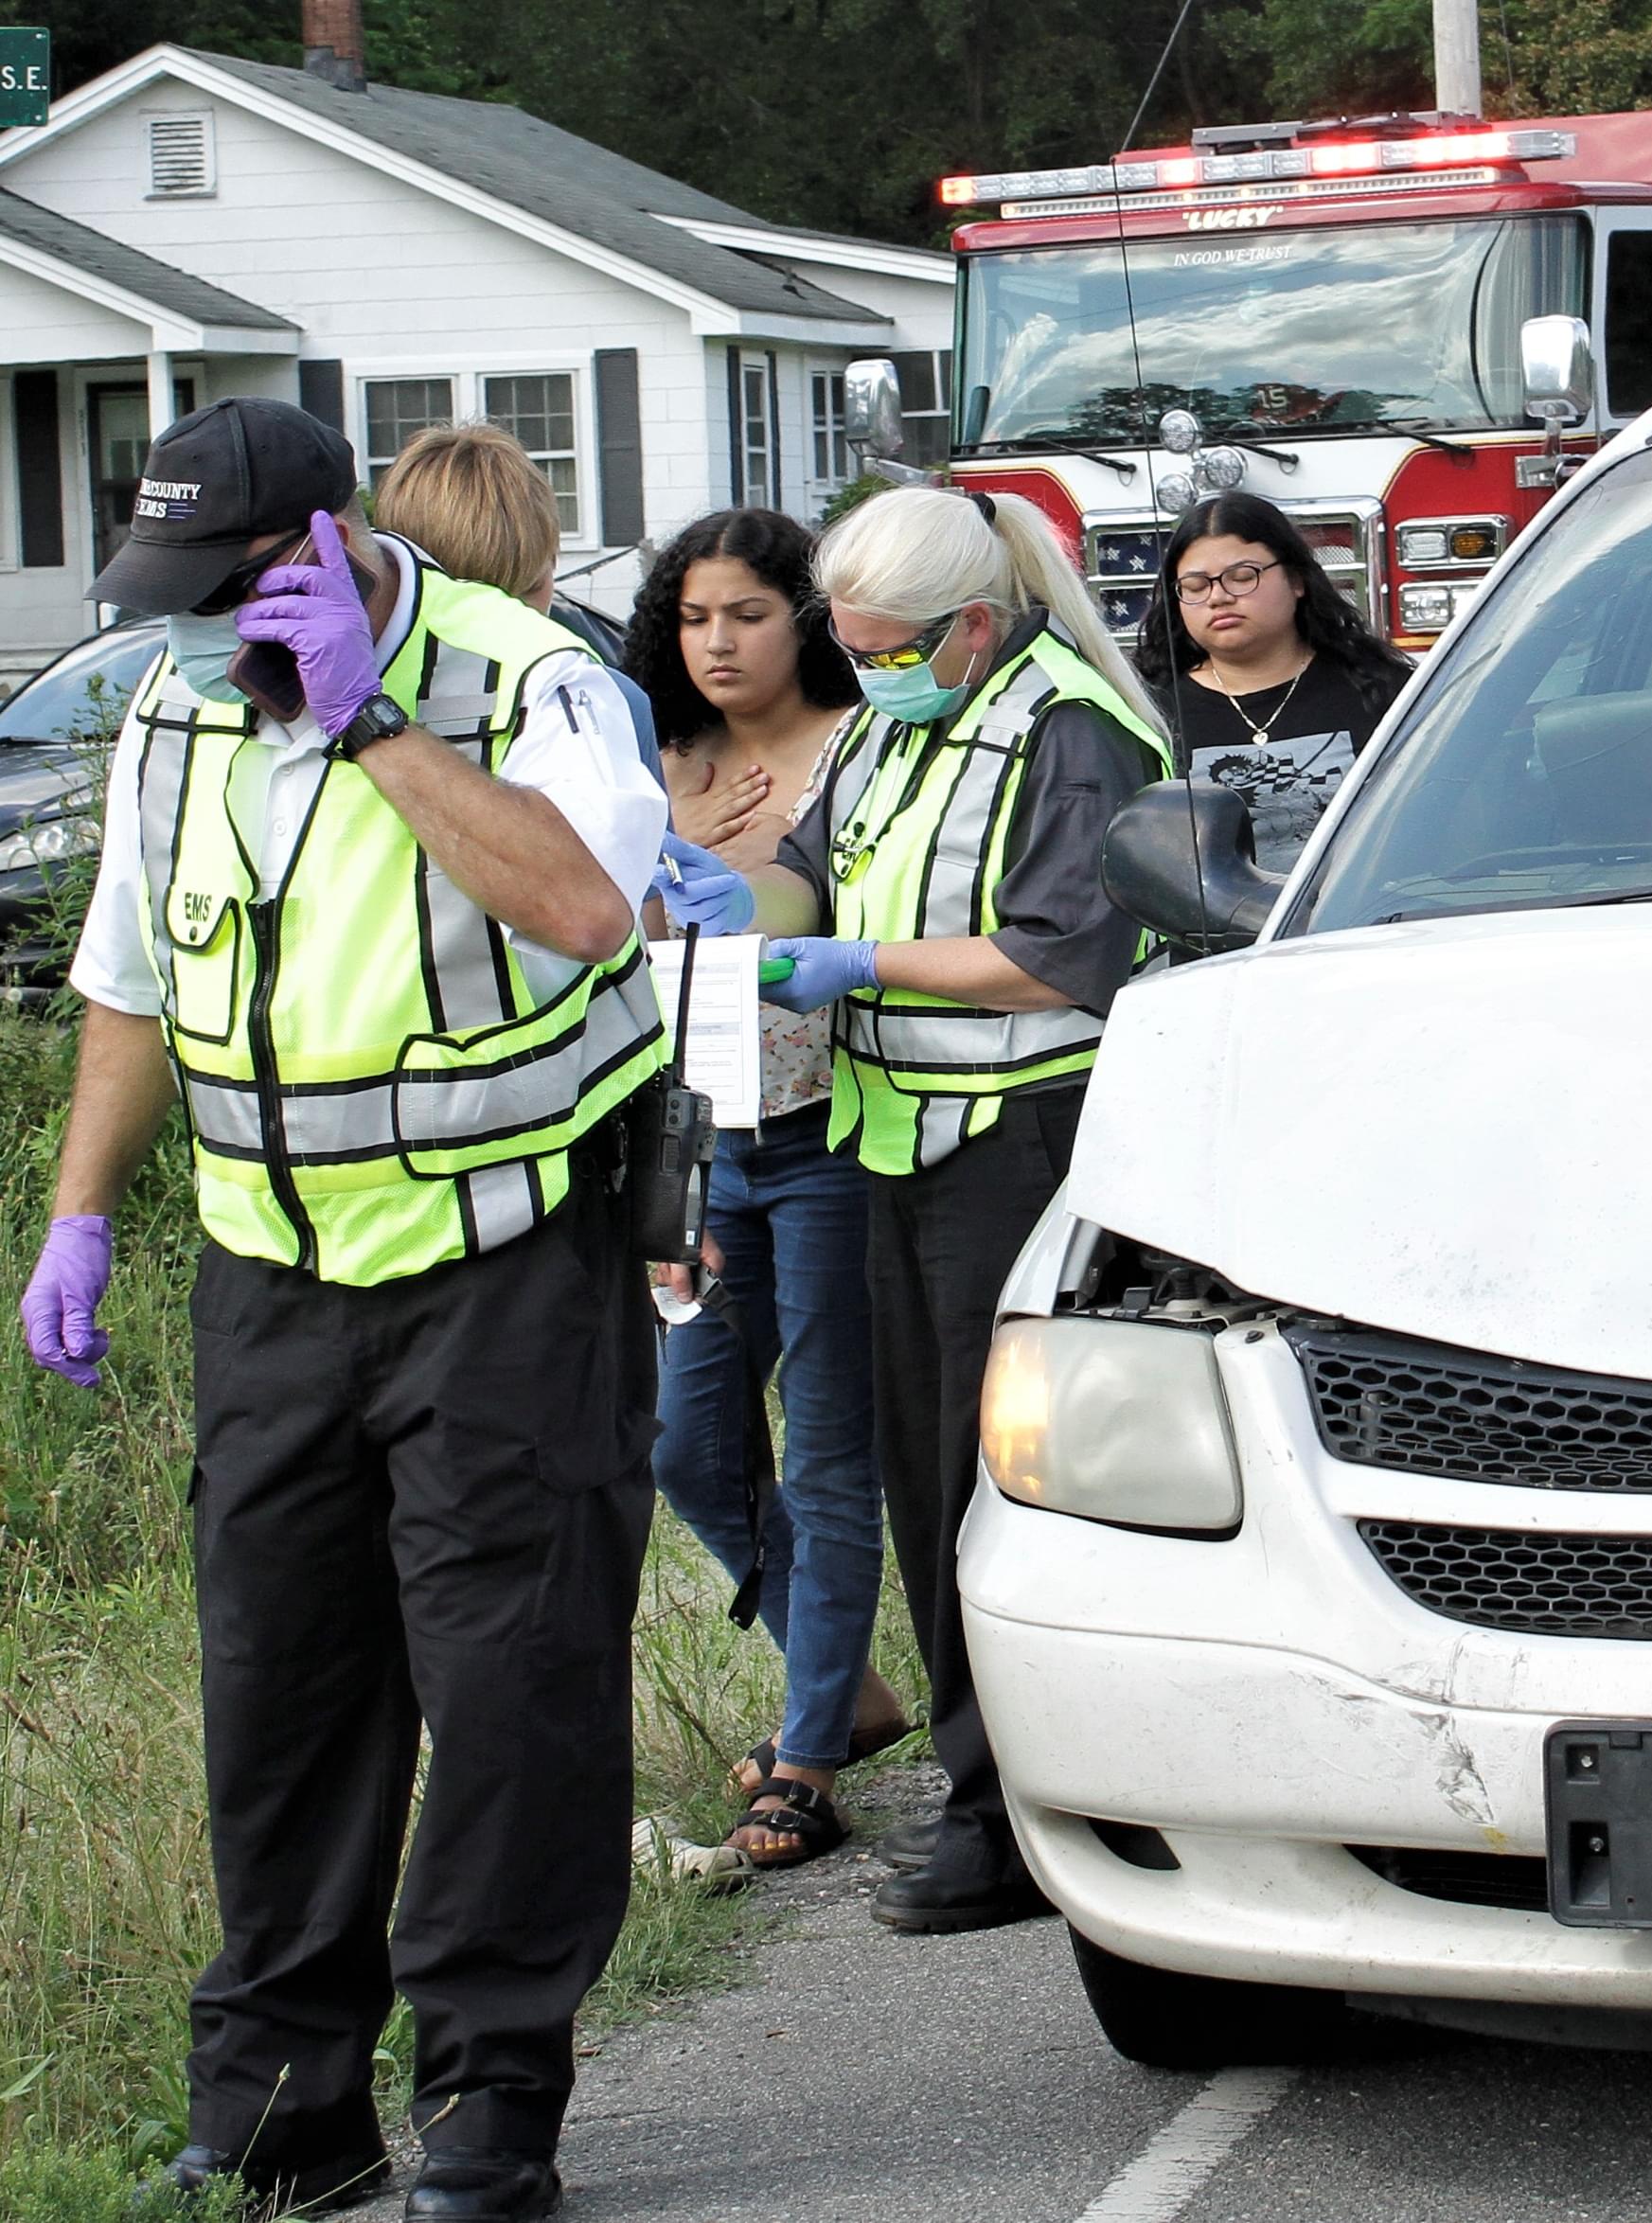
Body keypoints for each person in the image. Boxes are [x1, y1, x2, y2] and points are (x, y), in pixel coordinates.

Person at [14, 398, 668, 2221]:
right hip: (273, 1277)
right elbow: (129, 984)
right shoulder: (175, 704)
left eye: (230, 591)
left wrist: (372, 716)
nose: (198, 629)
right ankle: (287, 2099)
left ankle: (491, 2098)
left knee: (512, 1686)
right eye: (170, 594)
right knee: (280, 1692)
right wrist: (77, 1213)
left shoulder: (523, 677)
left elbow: (587, 903)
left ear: (328, 548)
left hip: (504, 1262)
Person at [661, 485, 1170, 1933]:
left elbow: (1068, 953)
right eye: (855, 645)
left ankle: (1007, 1815)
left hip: (1014, 1138)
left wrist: (864, 967)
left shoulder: (1072, 726)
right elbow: (809, 884)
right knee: (915, 1485)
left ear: (977, 626)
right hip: (892, 1139)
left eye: (891, 648)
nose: (869, 670)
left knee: (980, 1482)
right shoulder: (899, 717)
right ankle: (991, 1787)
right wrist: (726, 900)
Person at [625, 507, 906, 1871]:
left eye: (744, 612)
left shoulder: (863, 750)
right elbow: (610, 934)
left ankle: (803, 1760)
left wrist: (742, 879)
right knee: (686, 1442)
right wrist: (673, 853)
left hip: (826, 1134)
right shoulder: (658, 760)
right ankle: (839, 1681)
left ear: (805, 615)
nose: (717, 642)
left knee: (829, 1452)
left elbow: (846, 919)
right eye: (692, 617)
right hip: (693, 1139)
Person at [1133, 490, 1412, 870]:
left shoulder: (1386, 690)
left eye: (1242, 577)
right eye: (1196, 586)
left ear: (1297, 580)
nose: (1218, 597)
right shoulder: (1145, 710)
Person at [374, 420, 665, 782]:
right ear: (552, 559)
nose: (512, 623)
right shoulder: (602, 693)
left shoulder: (349, 693)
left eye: (524, 589)